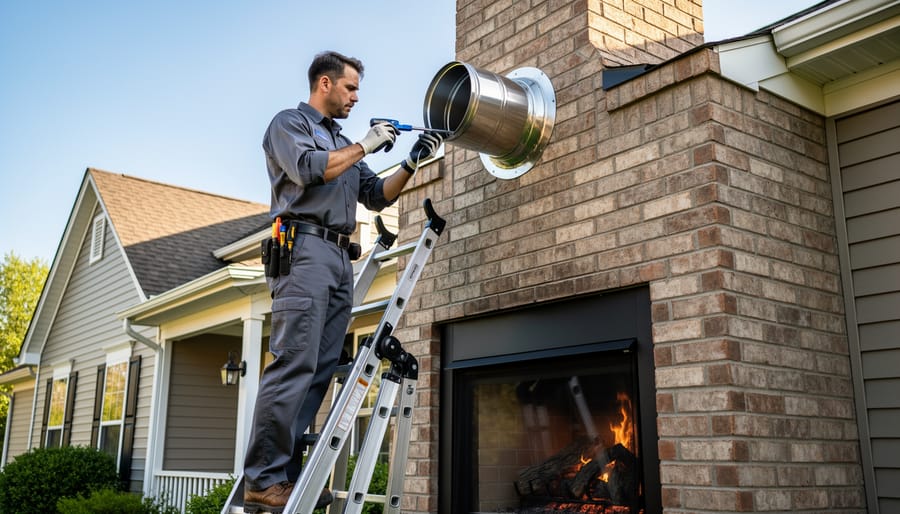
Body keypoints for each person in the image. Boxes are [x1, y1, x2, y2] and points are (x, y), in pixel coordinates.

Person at [242, 50, 443, 513]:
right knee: (294, 362)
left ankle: (285, 479)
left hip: (338, 257)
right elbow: (310, 170)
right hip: (303, 250)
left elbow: (375, 195)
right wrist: (367, 145)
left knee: (318, 370)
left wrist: (411, 162)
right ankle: (262, 479)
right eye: (351, 88)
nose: (355, 97)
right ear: (325, 84)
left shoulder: (343, 142)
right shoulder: (290, 125)